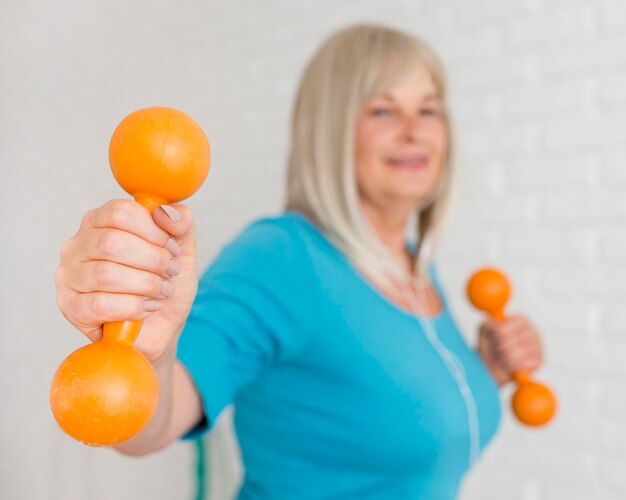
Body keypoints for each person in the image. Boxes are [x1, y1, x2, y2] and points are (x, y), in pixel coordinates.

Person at [55, 24, 544, 499]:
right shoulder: (281, 258)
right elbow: (151, 426)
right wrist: (152, 358)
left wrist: (477, 373)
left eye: (429, 110)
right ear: (330, 130)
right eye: (382, 110)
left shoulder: (415, 265)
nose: (413, 131)